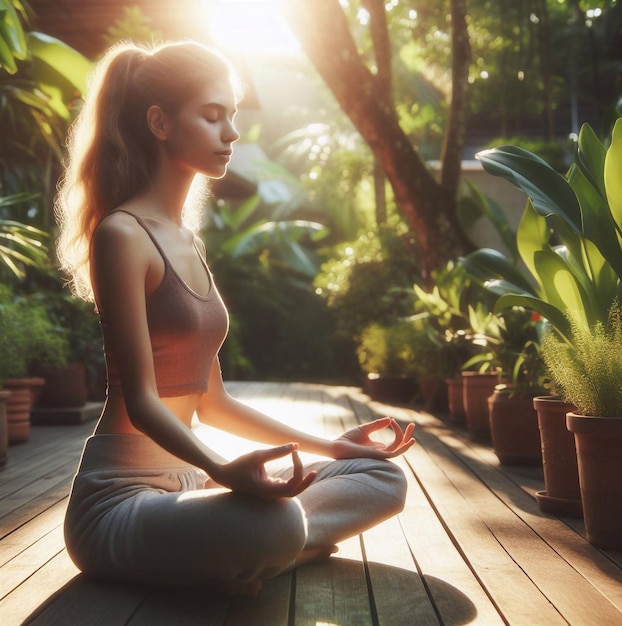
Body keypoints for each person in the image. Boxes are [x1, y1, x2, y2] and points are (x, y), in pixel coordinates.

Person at [56, 40, 415, 596]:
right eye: (212, 114)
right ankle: (267, 553)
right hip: (119, 503)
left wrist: (339, 449)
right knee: (274, 523)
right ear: (160, 123)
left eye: (234, 115)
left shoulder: (189, 242)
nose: (232, 133)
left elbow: (213, 402)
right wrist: (224, 473)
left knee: (381, 477)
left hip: (189, 486)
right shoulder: (122, 235)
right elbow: (143, 402)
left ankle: (254, 561)